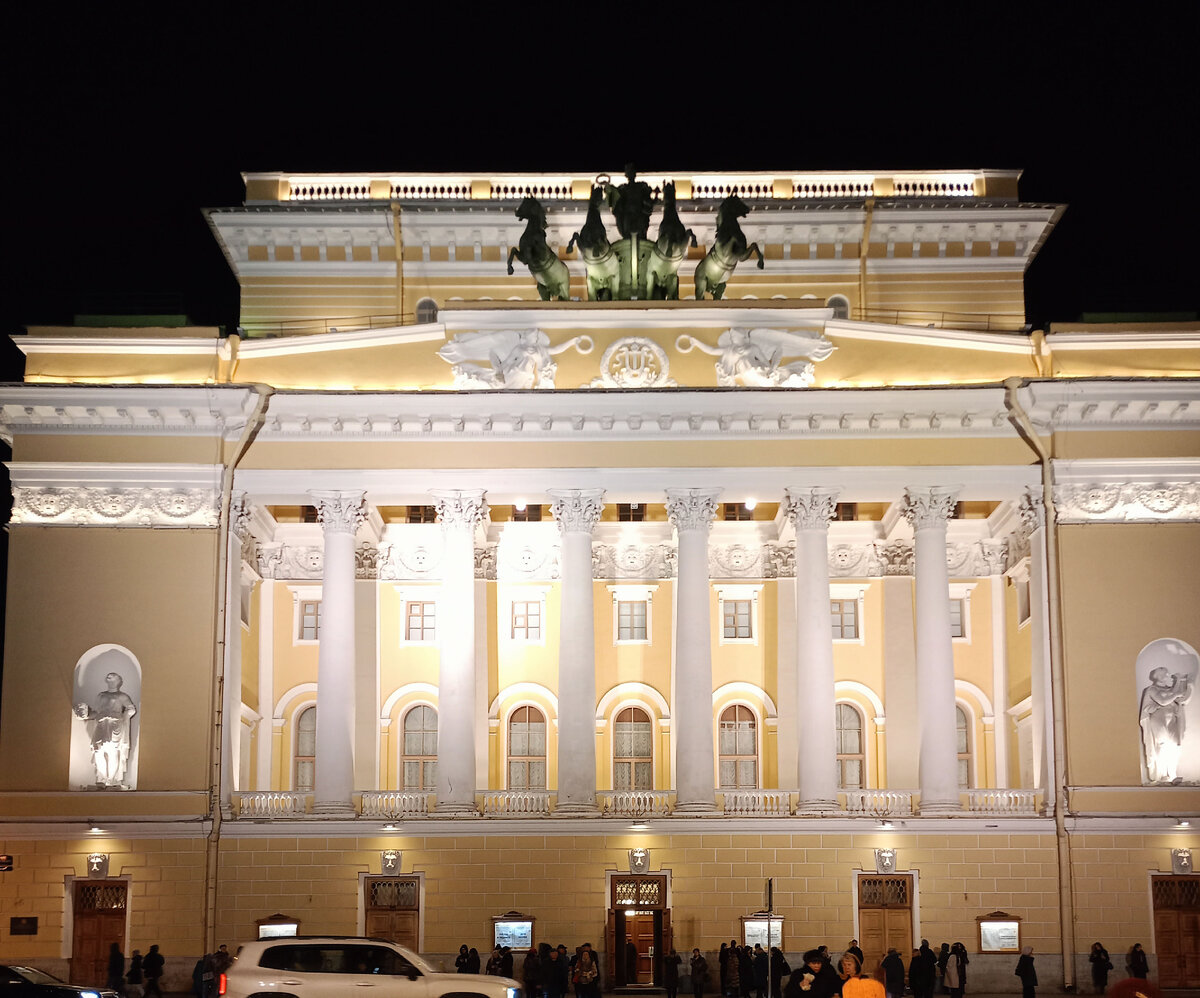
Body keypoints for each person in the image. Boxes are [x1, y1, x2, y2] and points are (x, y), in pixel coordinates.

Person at [74, 672, 138, 787]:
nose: (110, 680)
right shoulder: (101, 695)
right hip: (101, 725)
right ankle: (102, 779)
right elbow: (97, 713)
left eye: (113, 678)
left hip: (114, 725)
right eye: (109, 678)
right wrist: (86, 715)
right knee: (98, 751)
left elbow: (131, 709)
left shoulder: (122, 696)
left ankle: (112, 780)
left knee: (112, 751)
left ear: (118, 681)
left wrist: (122, 717)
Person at [1140, 665, 1194, 783]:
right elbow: (1163, 701)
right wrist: (1176, 693)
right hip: (1158, 720)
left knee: (1174, 746)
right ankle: (1162, 774)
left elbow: (1182, 699)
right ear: (1159, 676)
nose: (1168, 676)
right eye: (1165, 674)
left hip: (1172, 720)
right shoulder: (1152, 690)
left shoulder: (1170, 689)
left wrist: (1187, 684)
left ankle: (1172, 774)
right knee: (1162, 744)